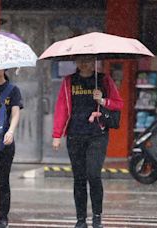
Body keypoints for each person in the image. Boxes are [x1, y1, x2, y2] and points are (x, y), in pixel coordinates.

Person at [52, 57, 123, 228]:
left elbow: (118, 103)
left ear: (95, 62)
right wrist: (57, 134)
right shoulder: (69, 81)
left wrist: (103, 101)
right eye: (81, 60)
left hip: (97, 135)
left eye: (89, 60)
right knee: (79, 178)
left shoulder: (104, 80)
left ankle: (97, 217)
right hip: (75, 135)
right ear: (76, 62)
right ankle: (81, 219)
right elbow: (61, 107)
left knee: (93, 175)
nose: (85, 63)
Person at [0, 70, 23, 228]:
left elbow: (15, 114)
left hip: (5, 142)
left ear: (5, 68)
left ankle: (2, 217)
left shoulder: (13, 90)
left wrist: (11, 131)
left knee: (3, 181)